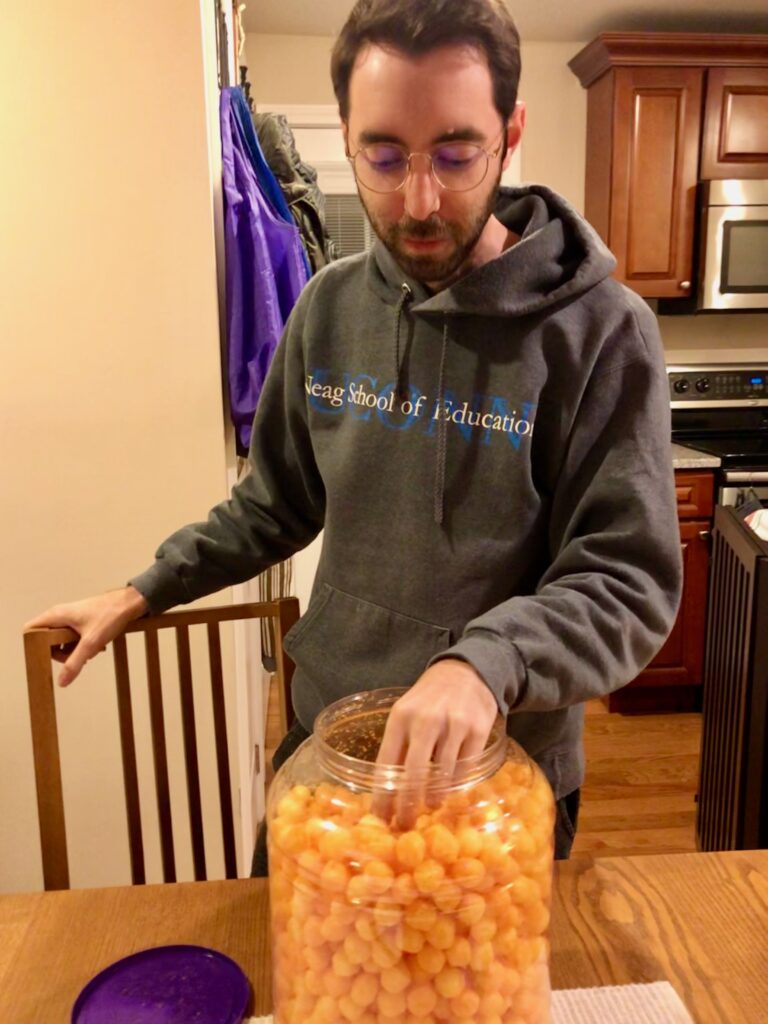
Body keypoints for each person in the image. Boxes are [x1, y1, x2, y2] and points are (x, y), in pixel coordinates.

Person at [26, 0, 682, 865]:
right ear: (344, 136)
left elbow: (626, 580)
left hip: (497, 773)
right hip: (324, 747)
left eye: (456, 154)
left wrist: (485, 663)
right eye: (383, 154)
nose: (419, 199)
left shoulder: (603, 331)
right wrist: (144, 588)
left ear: (511, 131)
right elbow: (272, 505)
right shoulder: (327, 308)